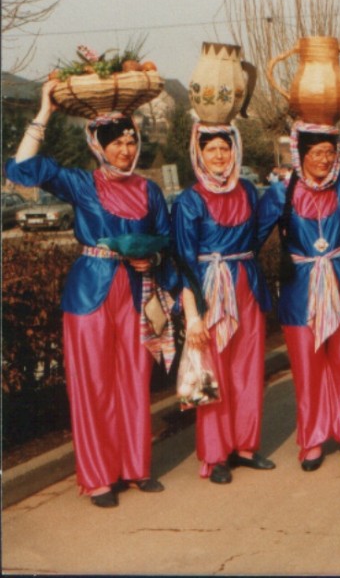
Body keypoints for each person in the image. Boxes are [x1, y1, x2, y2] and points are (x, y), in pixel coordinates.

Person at [5, 81, 174, 507]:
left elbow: (165, 239)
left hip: (135, 291)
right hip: (90, 290)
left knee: (135, 379)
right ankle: (99, 477)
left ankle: (136, 467)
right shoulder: (81, 184)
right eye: (116, 143)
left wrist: (151, 259)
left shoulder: (149, 190)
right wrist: (44, 111)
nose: (125, 150)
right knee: (93, 383)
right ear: (99, 146)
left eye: (131, 142)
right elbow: (22, 168)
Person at [257, 88, 340, 472]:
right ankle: (313, 439)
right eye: (316, 153)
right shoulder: (281, 192)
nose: (324, 160)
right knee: (308, 369)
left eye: (330, 153)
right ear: (301, 155)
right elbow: (250, 242)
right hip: (300, 294)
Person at [172, 125, 275, 484]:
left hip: (246, 286)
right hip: (209, 289)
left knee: (247, 368)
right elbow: (183, 260)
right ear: (198, 154)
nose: (218, 155)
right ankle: (215, 455)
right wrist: (192, 316)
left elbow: (256, 237)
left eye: (224, 148)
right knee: (213, 370)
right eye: (211, 149)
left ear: (235, 151)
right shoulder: (189, 201)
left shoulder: (247, 190)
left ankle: (245, 446)